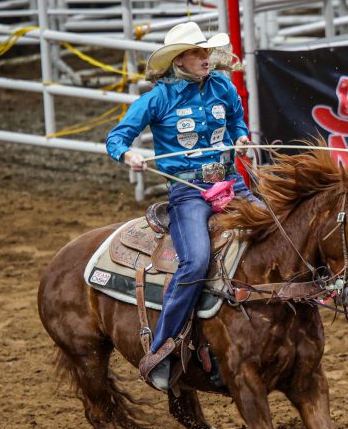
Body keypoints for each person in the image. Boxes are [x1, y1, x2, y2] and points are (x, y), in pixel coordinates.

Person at [106, 21, 257, 390]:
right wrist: (129, 154)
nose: (205, 57)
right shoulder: (158, 98)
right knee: (195, 260)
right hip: (188, 191)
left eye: (205, 51)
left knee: (277, 228)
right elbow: (117, 136)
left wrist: (240, 139)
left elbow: (237, 121)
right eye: (197, 52)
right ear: (179, 61)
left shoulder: (223, 85)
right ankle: (162, 347)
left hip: (230, 181)